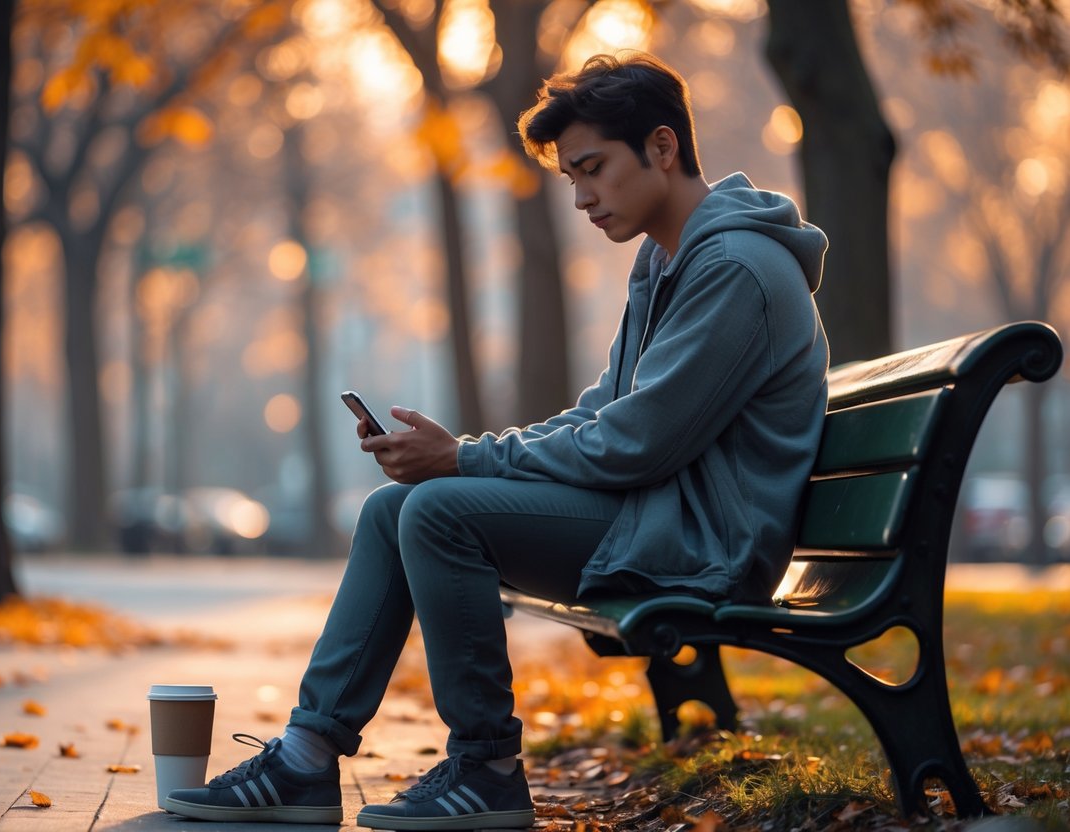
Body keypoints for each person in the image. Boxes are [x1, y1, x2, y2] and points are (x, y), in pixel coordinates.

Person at [163, 49, 829, 830]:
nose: (581, 197)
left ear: (661, 146)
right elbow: (601, 415)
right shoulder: (667, 260)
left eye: (592, 169)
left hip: (703, 543)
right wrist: (462, 453)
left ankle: (487, 768)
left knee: (439, 512)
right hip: (660, 515)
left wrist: (465, 460)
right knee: (394, 508)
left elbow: (636, 444)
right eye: (569, 178)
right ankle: (308, 758)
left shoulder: (735, 269)